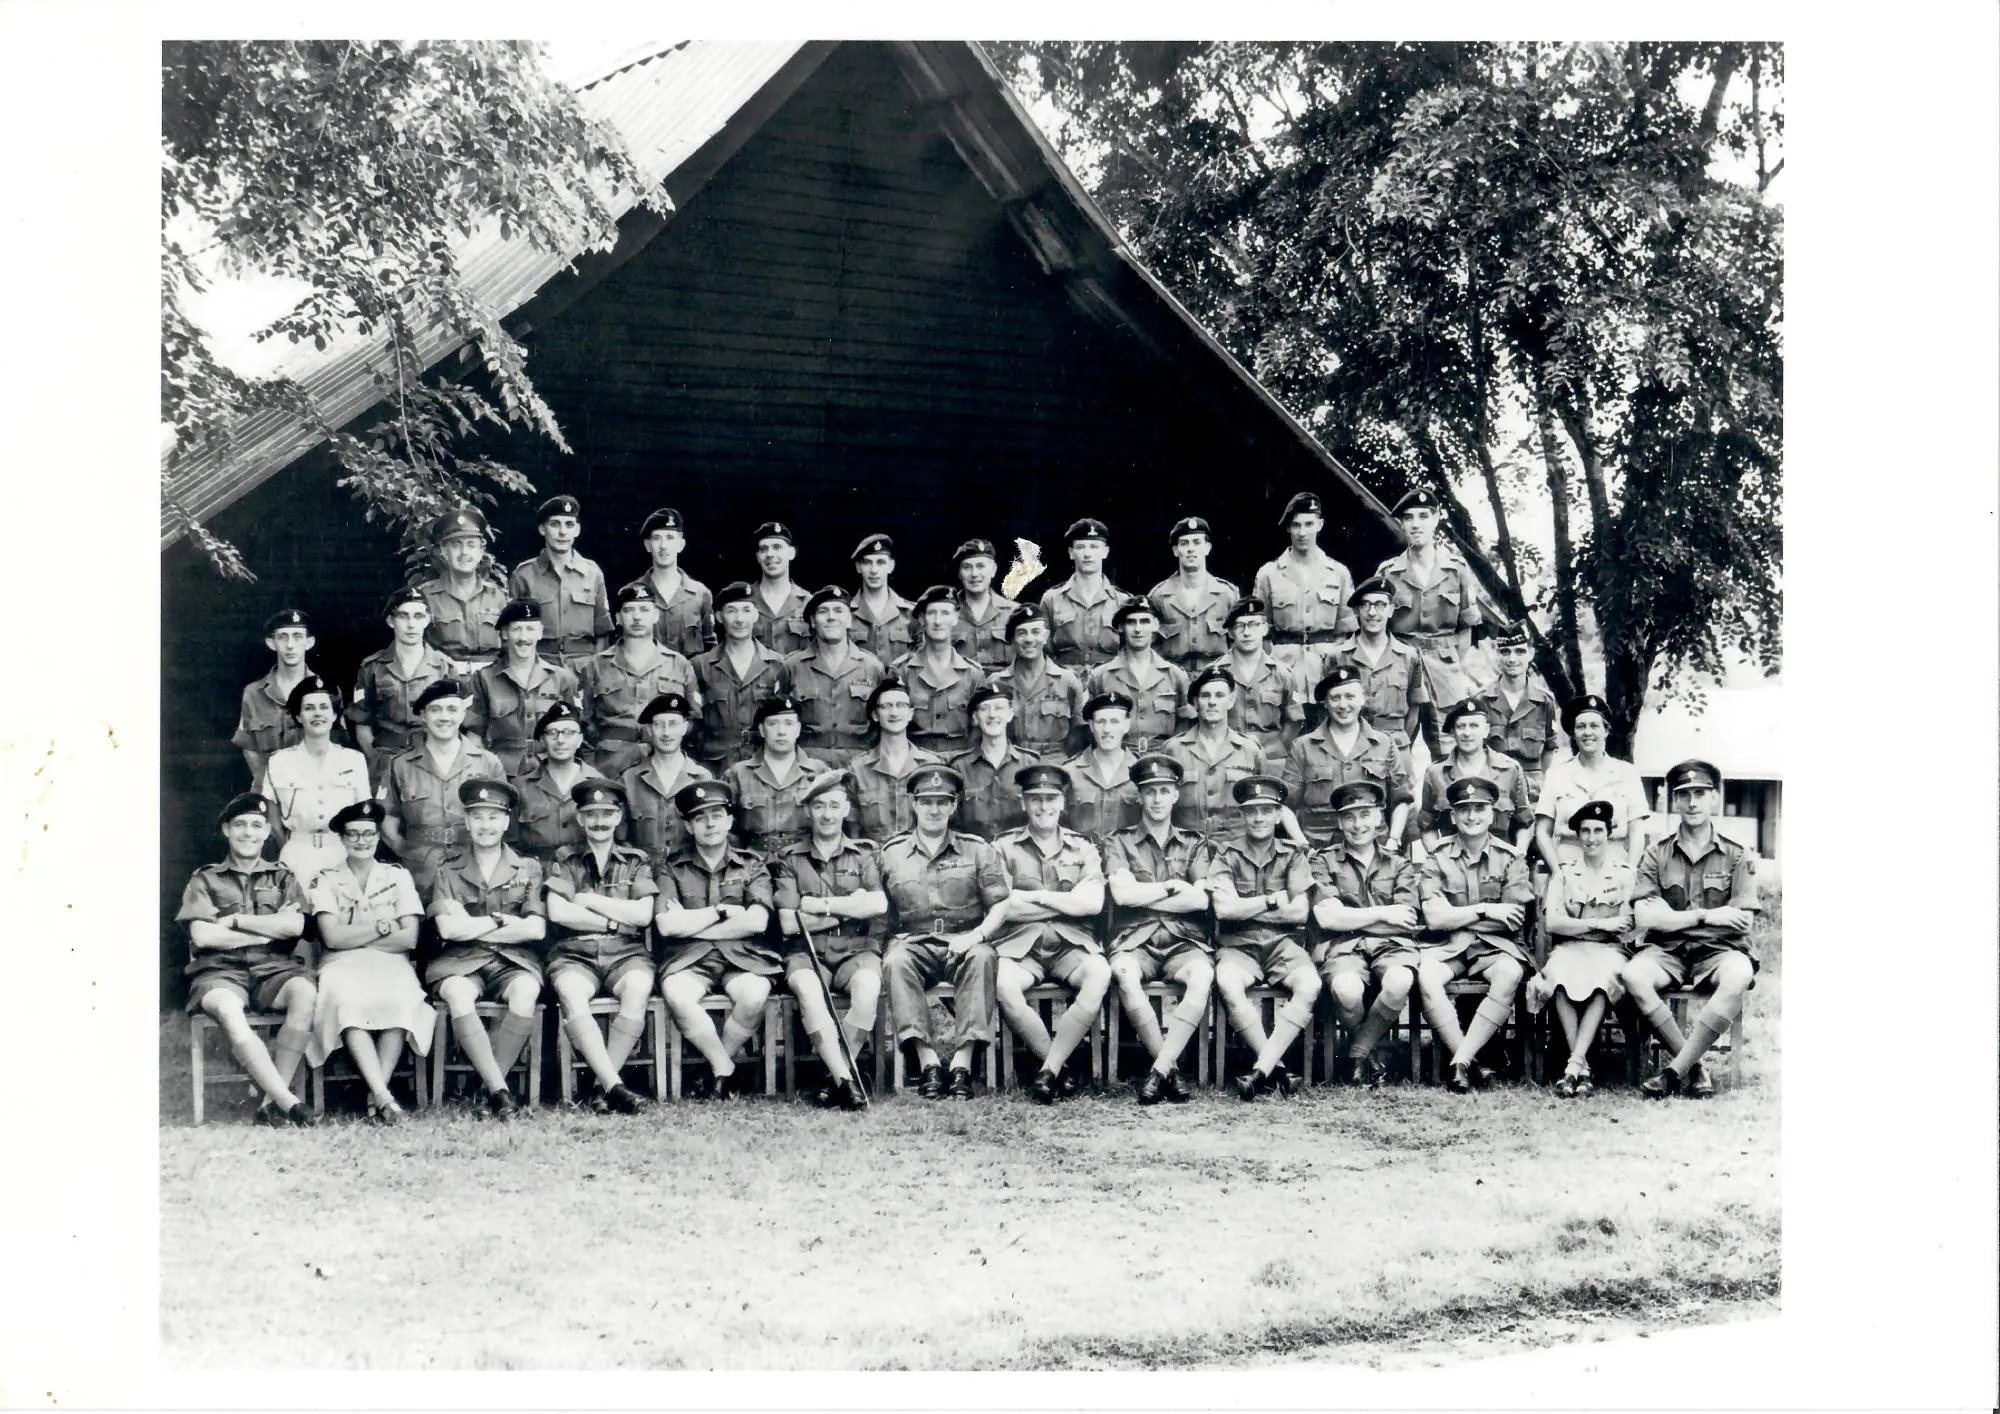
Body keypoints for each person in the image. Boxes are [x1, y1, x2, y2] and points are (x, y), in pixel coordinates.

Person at [972, 764, 1112, 1104]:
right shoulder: (1002, 848)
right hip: (1020, 946)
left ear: (1063, 802)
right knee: (1003, 983)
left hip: (1071, 945)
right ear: (1023, 803)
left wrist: (1036, 897)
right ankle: (1060, 1068)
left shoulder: (1083, 848)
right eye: (1035, 799)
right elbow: (1004, 906)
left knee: (1100, 974)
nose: (1044, 807)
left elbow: (1092, 903)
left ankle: (1048, 1070)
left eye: (1051, 799)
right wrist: (1067, 902)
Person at [177, 793, 317, 1126]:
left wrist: (237, 921)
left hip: (274, 971)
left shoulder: (282, 877)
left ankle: (270, 1104)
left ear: (268, 832)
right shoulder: (205, 879)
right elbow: (203, 936)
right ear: (226, 829)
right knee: (227, 1008)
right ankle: (289, 1103)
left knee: (306, 993)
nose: (248, 833)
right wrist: (268, 932)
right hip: (219, 972)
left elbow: (296, 925)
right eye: (240, 825)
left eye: (256, 825)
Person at [1625, 760, 1760, 1100]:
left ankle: (1674, 1071)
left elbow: (1744, 920)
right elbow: (1644, 918)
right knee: (1633, 975)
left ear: (1714, 798)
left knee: (1739, 974)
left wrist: (1671, 916)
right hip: (1667, 951)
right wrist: (1707, 916)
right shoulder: (1656, 854)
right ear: (1674, 801)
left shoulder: (1736, 854)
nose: (1692, 802)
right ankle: (1695, 1067)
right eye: (1684, 795)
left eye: (1700, 793)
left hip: (1719, 952)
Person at [879, 765, 1010, 1099]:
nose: (934, 809)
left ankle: (963, 1064)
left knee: (982, 959)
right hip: (915, 944)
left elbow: (999, 904)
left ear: (954, 806)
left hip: (964, 940)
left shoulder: (977, 849)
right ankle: (928, 1062)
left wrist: (977, 935)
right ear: (913, 803)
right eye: (926, 801)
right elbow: (882, 910)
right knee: (895, 962)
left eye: (942, 801)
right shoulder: (892, 853)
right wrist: (892, 937)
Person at [425, 778, 547, 1118]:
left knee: (525, 991)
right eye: (477, 817)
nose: (485, 826)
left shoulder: (528, 868)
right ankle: (500, 1092)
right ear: (466, 822)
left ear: (507, 822)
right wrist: (500, 923)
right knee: (458, 995)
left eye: (493, 817)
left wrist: (472, 927)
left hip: (513, 961)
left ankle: (490, 1089)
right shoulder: (447, 868)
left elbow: (535, 929)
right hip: (460, 961)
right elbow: (448, 929)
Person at [306, 800, 433, 1123]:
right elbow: (331, 939)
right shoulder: (326, 879)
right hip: (341, 964)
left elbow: (409, 939)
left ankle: (378, 1096)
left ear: (378, 837)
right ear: (343, 839)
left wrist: (354, 934)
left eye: (368, 834)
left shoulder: (397, 877)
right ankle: (383, 1098)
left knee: (402, 1000)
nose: (361, 841)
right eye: (353, 835)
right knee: (347, 1004)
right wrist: (379, 927)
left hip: (390, 962)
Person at [654, 780, 779, 1100]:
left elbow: (757, 921)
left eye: (716, 815)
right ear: (688, 825)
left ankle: (712, 1068)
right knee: (678, 995)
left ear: (729, 820)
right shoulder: (671, 867)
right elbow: (667, 926)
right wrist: (722, 913)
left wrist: (693, 922)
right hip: (689, 957)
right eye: (700, 818)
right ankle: (724, 1069)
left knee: (755, 994)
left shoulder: (752, 864)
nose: (710, 824)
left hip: (743, 956)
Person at [773, 771, 889, 1109]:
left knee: (867, 990)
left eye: (834, 806)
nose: (827, 814)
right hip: (806, 953)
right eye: (819, 805)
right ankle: (846, 1080)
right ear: (808, 810)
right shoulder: (789, 859)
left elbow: (878, 904)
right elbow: (790, 923)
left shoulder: (864, 854)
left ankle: (835, 1077)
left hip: (856, 950)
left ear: (847, 810)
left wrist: (824, 907)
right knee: (809, 991)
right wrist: (852, 909)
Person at [1104, 754, 1216, 1105]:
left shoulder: (1195, 843)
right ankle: (1170, 1070)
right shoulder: (1117, 842)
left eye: (1164, 790)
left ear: (1176, 796)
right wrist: (1171, 888)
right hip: (1134, 939)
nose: (1156, 799)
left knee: (1202, 976)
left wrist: (1146, 896)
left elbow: (1200, 901)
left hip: (1184, 940)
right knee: (1123, 972)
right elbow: (1122, 896)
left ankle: (1159, 1070)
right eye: (1149, 791)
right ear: (1139, 796)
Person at [542, 779, 657, 1114]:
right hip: (574, 954)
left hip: (626, 954)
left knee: (637, 989)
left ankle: (600, 1087)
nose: (599, 821)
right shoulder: (565, 858)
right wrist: (613, 921)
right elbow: (559, 911)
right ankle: (614, 1087)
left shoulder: (636, 860)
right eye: (591, 814)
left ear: (619, 817)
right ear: (580, 819)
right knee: (572, 994)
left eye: (607, 813)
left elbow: (644, 914)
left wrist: (590, 900)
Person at [1416, 775, 1534, 1093]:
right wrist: (1484, 910)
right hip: (1449, 948)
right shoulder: (1436, 857)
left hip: (1495, 948)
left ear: (1492, 814)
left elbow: (1512, 919)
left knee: (1510, 973)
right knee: (1426, 975)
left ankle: (1461, 1062)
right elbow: (1433, 917)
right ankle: (1469, 1061)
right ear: (1452, 816)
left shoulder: (1511, 858)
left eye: (1480, 808)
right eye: (1464, 809)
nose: (1472, 816)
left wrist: (1456, 917)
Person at [1205, 775, 1320, 1100]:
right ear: (1242, 815)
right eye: (1251, 811)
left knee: (1310, 985)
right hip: (1238, 947)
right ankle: (1278, 1068)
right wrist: (1271, 900)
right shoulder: (1226, 854)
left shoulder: (1293, 854)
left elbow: (1299, 912)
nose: (1258, 818)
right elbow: (1224, 911)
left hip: (1283, 947)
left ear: (1278, 814)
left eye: (1266, 811)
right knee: (1228, 982)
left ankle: (1261, 1071)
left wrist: (1246, 908)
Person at [1310, 781, 1423, 1086]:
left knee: (1400, 980)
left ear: (1379, 819)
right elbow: (1327, 918)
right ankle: (1378, 1053)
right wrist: (1384, 912)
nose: (1357, 825)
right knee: (1346, 989)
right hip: (1343, 947)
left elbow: (1407, 920)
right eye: (1349, 817)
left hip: (1393, 945)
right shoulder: (1323, 860)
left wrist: (1351, 918)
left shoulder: (1398, 863)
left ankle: (1357, 1054)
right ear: (1339, 821)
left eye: (1365, 815)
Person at [1529, 800, 1636, 1099]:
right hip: (1572, 949)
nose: (1591, 837)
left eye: (1598, 830)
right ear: (1576, 836)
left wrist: (1586, 925)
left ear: (1609, 833)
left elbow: (1628, 923)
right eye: (1585, 831)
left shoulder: (1624, 875)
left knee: (1604, 979)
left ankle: (1574, 1065)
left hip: (1609, 952)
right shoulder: (1563, 875)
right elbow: (1553, 923)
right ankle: (1582, 1067)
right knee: (1558, 975)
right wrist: (1601, 925)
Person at [377, 678, 506, 896]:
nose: (444, 717)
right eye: (435, 710)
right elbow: (387, 817)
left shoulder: (487, 763)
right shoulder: (399, 765)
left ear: (463, 714)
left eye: (452, 709)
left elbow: (503, 820)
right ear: (423, 716)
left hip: (473, 871)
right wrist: (411, 854)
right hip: (420, 874)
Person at [1375, 487, 1485, 731]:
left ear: (1436, 519)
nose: (1416, 524)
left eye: (1424, 516)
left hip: (1445, 675)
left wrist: (1450, 663)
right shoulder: (1388, 573)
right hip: (1398, 674)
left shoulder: (1456, 570)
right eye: (1409, 517)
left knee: (1448, 751)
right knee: (1394, 747)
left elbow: (1466, 629)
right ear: (1402, 524)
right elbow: (1374, 630)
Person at [1282, 663, 1414, 848]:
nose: (1343, 705)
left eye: (1350, 696)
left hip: (1375, 847)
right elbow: (1286, 805)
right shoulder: (1303, 747)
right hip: (1320, 850)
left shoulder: (1384, 744)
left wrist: (1393, 840)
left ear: (1362, 699)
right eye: (1335, 698)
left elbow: (1401, 799)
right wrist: (1302, 845)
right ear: (1326, 703)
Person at [258, 674, 371, 888]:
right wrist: (286, 848)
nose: (317, 713)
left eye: (324, 707)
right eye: (309, 708)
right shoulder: (279, 762)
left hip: (342, 852)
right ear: (298, 716)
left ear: (335, 714)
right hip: (296, 853)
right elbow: (271, 816)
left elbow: (363, 815)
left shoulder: (354, 760)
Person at [579, 581, 702, 776]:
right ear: (618, 618)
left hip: (664, 763)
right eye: (629, 610)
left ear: (656, 615)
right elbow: (583, 722)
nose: (637, 617)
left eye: (644, 609)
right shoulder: (596, 666)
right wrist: (590, 769)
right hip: (610, 765)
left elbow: (694, 719)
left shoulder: (679, 664)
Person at [348, 585, 458, 787]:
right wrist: (377, 760)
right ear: (391, 621)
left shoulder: (444, 668)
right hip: (386, 760)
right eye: (403, 616)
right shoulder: (372, 667)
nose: (411, 624)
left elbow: (458, 724)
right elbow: (362, 725)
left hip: (431, 759)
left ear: (427, 619)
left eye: (418, 616)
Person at [1532, 693, 1653, 866]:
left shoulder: (1627, 773)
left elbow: (1637, 831)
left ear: (1606, 731)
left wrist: (1630, 872)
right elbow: (1542, 832)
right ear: (1573, 733)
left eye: (1594, 726)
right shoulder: (1557, 774)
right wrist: (1557, 872)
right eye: (1581, 726)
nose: (1587, 732)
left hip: (1614, 863)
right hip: (1568, 863)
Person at [1252, 492, 1356, 692]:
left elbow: (1344, 633)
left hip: (1325, 670)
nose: (1302, 532)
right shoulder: (1269, 574)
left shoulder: (1338, 573)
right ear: (1288, 528)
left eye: (1309, 524)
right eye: (1296, 525)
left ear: (1320, 525)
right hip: (1284, 671)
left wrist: (1334, 666)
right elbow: (1261, 632)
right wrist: (1273, 668)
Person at [463, 599, 580, 777]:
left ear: (540, 633)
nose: (523, 638)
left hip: (551, 771)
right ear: (504, 633)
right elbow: (474, 737)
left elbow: (578, 732)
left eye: (530, 629)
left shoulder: (562, 679)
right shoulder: (483, 679)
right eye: (516, 629)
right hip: (502, 772)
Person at [232, 608, 341, 786]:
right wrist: (268, 783)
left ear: (309, 642)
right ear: (271, 642)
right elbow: (249, 746)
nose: (290, 645)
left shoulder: (328, 691)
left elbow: (337, 746)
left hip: (316, 788)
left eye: (297, 636)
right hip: (270, 788)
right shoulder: (253, 693)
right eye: (283, 637)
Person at [691, 581, 793, 772]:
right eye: (731, 611)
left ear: (756, 615)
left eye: (746, 610)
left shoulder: (777, 665)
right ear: (720, 617)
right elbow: (693, 721)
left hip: (763, 764)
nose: (739, 619)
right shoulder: (700, 666)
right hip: (715, 765)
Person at [1409, 700, 1533, 853]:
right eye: (1461, 726)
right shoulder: (1435, 773)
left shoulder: (1509, 769)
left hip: (1499, 863)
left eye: (1474, 726)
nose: (1467, 733)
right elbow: (1427, 826)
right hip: (1453, 863)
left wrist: (1517, 856)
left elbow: (1525, 823)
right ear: (1453, 731)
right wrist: (1439, 858)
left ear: (1486, 730)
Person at [1162, 666, 1266, 846]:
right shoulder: (1173, 750)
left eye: (1219, 695)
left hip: (1236, 850)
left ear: (1231, 700)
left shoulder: (1250, 751)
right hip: (1187, 849)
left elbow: (1261, 804)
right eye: (1205, 696)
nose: (1212, 702)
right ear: (1195, 702)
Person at [507, 494, 612, 671]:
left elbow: (602, 632)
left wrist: (596, 671)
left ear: (577, 530)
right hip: (538, 666)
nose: (563, 532)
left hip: (583, 667)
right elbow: (509, 633)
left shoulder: (592, 573)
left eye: (569, 524)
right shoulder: (524, 575)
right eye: (555, 524)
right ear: (542, 529)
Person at [786, 585, 886, 767]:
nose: (831, 617)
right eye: (823, 611)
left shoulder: (872, 667)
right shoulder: (792, 666)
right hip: (807, 765)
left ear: (849, 620)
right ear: (813, 621)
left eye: (839, 610)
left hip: (860, 765)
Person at [1328, 575, 1427, 752]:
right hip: (1351, 746)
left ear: (1391, 610)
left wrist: (1399, 745)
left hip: (1395, 746)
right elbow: (1328, 707)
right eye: (1366, 605)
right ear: (1357, 611)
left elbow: (1414, 710)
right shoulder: (1338, 656)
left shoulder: (1409, 656)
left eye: (1380, 605)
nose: (1372, 613)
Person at [1206, 597, 1308, 769]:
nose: (1247, 632)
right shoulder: (1215, 673)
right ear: (1230, 633)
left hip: (1272, 759)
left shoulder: (1282, 674)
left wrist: (1278, 749)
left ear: (1264, 629)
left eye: (1253, 624)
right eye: (1240, 626)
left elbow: (1294, 720)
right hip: (1227, 758)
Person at [726, 694, 834, 855]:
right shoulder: (738, 774)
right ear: (762, 730)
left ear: (798, 729)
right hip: (755, 862)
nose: (781, 731)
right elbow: (724, 827)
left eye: (789, 724)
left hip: (805, 860)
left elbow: (833, 823)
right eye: (773, 724)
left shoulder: (819, 772)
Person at [846, 678, 945, 844]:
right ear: (875, 715)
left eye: (901, 705)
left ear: (911, 714)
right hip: (874, 861)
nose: (894, 713)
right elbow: (853, 833)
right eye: (886, 706)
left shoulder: (932, 766)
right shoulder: (858, 770)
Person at [1085, 599, 1190, 754]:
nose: (1138, 629)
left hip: (1163, 757)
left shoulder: (1175, 675)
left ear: (1155, 626)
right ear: (1121, 627)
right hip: (1118, 756)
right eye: (1131, 622)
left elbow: (1185, 725)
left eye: (1145, 621)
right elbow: (1090, 725)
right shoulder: (1101, 676)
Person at [618, 693, 713, 864]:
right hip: (642, 876)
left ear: (685, 727)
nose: (667, 732)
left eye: (673, 724)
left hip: (688, 878)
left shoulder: (702, 778)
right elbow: (620, 839)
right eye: (659, 724)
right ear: (649, 729)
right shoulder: (630, 780)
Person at [1471, 624, 1562, 803]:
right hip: (1493, 788)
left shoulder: (1544, 701)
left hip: (1533, 790)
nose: (1512, 659)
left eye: (1519, 651)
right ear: (1498, 655)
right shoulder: (1481, 700)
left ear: (1531, 653)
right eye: (1505, 652)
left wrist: (1547, 793)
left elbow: (1549, 752)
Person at [985, 603, 1087, 759]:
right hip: (1013, 761)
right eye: (1021, 633)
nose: (1029, 639)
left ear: (1046, 637)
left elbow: (1080, 735)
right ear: (1012, 639)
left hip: (1056, 764)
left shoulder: (1067, 681)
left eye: (1035, 632)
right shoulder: (997, 683)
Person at [892, 585, 983, 760]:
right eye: (932, 613)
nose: (938, 621)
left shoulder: (973, 673)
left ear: (956, 618)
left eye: (945, 613)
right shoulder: (902, 670)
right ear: (921, 618)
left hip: (961, 761)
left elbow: (979, 729)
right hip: (915, 760)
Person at [508, 701, 606, 862]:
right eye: (552, 733)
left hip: (584, 876)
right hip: (536, 877)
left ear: (580, 739)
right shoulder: (520, 788)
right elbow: (508, 844)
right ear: (543, 740)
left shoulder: (598, 784)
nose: (560, 740)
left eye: (569, 733)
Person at [415, 505, 509, 670]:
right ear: (444, 551)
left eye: (471, 545)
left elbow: (510, 649)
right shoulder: (425, 596)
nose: (464, 552)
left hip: (491, 684)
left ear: (481, 551)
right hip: (444, 682)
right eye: (456, 545)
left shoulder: (498, 597)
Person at [1147, 516, 1239, 673]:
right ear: (1176, 550)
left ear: (1207, 548)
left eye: (1197, 542)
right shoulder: (1159, 596)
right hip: (1173, 680)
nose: (1191, 549)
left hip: (1216, 680)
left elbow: (1239, 645)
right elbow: (1149, 648)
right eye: (1184, 543)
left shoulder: (1227, 595)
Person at [621, 507, 715, 659]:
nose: (663, 545)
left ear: (681, 544)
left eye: (670, 537)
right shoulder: (630, 594)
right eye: (657, 538)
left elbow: (710, 649)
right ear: (647, 545)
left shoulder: (700, 594)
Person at [951, 682, 1040, 841]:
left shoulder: (1030, 764)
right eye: (985, 709)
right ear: (975, 718)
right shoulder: (959, 767)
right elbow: (953, 822)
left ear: (1010, 714)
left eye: (999, 708)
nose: (992, 715)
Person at [1039, 517, 1126, 671]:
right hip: (1065, 685)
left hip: (1109, 684)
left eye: (1094, 546)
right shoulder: (1052, 599)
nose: (1087, 554)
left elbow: (1129, 652)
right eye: (1080, 547)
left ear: (1105, 552)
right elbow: (1043, 651)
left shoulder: (1122, 601)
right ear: (1071, 553)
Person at [1062, 691, 1141, 843]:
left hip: (1128, 861)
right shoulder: (1070, 772)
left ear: (1126, 725)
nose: (1107, 730)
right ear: (1091, 726)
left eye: (1114, 722)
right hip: (1081, 860)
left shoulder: (1140, 772)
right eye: (1101, 722)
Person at [950, 538, 1019, 673]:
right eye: (967, 567)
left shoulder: (1014, 613)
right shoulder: (945, 613)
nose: (974, 574)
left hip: (1003, 691)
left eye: (981, 566)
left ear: (993, 570)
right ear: (959, 573)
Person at [748, 521, 813, 658]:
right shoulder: (745, 602)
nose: (770, 554)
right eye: (763, 549)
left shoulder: (808, 603)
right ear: (758, 557)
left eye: (777, 547)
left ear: (791, 553)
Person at [848, 533, 916, 664]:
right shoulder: (845, 613)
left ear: (891, 566)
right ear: (858, 567)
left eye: (880, 562)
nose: (874, 570)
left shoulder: (912, 614)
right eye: (867, 562)